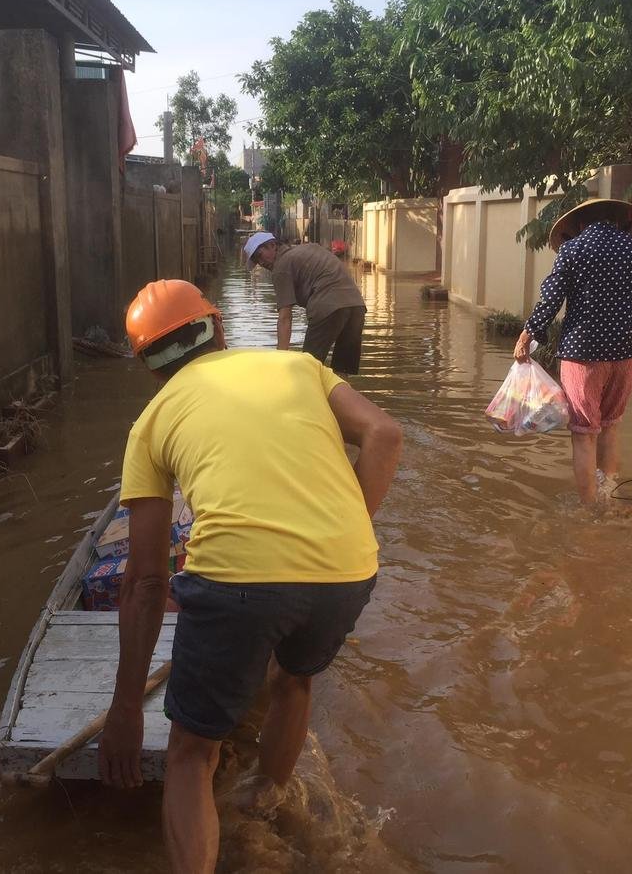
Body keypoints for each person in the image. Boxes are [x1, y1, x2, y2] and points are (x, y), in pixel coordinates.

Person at [98, 279, 402, 874]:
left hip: (235, 582)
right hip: (349, 569)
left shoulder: (152, 421)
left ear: (149, 366)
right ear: (217, 328)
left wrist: (126, 708)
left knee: (191, 754)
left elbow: (145, 582)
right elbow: (385, 435)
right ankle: (267, 796)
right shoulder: (299, 367)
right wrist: (342, 528)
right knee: (292, 681)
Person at [514, 198, 632, 504]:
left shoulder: (573, 250)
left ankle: (590, 509)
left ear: (580, 224)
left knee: (583, 433)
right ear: (620, 220)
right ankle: (609, 496)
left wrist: (528, 335)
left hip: (583, 354)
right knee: (610, 427)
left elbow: (550, 300)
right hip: (629, 352)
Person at [243, 231, 367, 375]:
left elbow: (285, 318)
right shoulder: (307, 248)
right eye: (257, 261)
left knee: (307, 370)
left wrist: (279, 363)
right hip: (357, 306)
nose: (261, 263)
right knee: (342, 371)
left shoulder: (281, 267)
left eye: (259, 256)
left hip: (328, 306)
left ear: (272, 245)